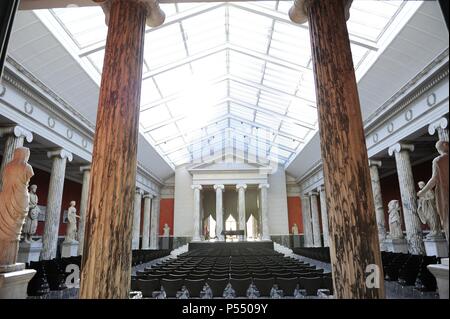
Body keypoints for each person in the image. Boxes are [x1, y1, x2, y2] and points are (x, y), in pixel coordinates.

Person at [0, 147, 34, 266]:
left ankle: (5, 260)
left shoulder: (7, 166)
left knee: (4, 228)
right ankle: (8, 261)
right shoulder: (26, 166)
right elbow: (27, 178)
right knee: (14, 230)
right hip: (20, 198)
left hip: (4, 196)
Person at [417, 140, 449, 244]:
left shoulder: (438, 160)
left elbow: (434, 179)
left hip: (445, 194)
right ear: (445, 145)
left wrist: (422, 192)